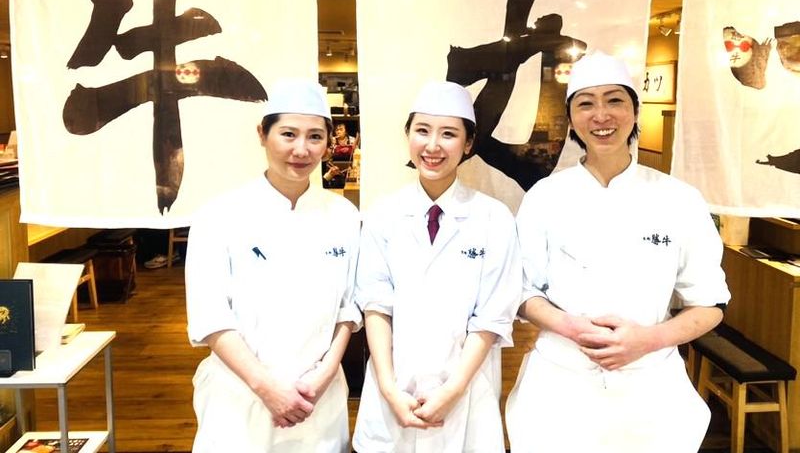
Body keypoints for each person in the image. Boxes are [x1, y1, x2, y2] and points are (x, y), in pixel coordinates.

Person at [505, 52, 731, 453]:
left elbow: (710, 303)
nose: (601, 115)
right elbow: (522, 292)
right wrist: (572, 327)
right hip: (558, 387)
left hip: (651, 391)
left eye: (614, 100)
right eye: (586, 103)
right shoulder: (545, 197)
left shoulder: (679, 199)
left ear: (634, 110)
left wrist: (648, 339)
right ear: (571, 117)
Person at [184, 78, 360, 453]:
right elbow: (210, 316)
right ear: (262, 134)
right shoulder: (220, 215)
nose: (301, 149)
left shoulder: (344, 216)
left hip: (317, 400)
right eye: (288, 134)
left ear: (329, 143)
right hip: (240, 399)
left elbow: (348, 308)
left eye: (315, 137)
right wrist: (267, 388)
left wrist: (324, 375)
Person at [352, 81, 521, 453]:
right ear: (408, 136)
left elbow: (492, 317)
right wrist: (389, 388)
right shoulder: (383, 214)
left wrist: (451, 391)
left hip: (465, 397)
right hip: (393, 391)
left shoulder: (494, 219)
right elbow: (376, 305)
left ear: (468, 143)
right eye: (422, 130)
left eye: (448, 134)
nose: (432, 146)